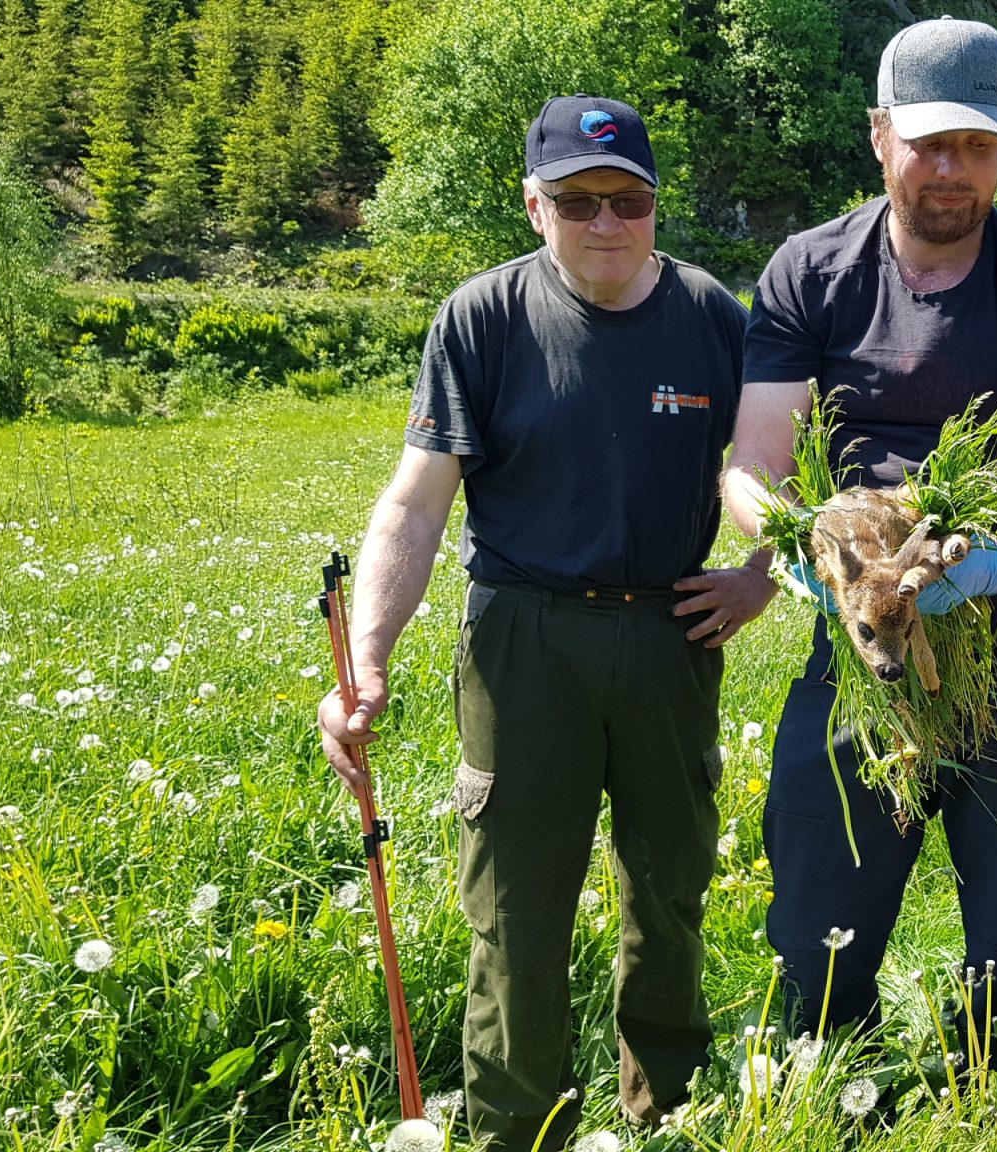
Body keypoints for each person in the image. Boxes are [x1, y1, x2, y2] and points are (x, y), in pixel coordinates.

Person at [315, 94, 773, 1151]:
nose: (604, 221)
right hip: (521, 639)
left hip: (672, 634)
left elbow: (772, 468)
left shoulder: (712, 316)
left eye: (627, 199)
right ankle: (518, 1127)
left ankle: (665, 1113)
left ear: (656, 205)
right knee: (516, 907)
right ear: (534, 206)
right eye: (576, 201)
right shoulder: (480, 317)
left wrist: (758, 575)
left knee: (669, 888)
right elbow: (416, 502)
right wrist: (366, 662)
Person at [720, 17, 997, 1039]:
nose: (953, 171)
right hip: (863, 652)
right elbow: (752, 465)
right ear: (878, 136)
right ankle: (825, 1088)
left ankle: (994, 1097)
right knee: (819, 920)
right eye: (929, 144)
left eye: (978, 148)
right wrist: (803, 548)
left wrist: (982, 567)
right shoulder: (811, 271)